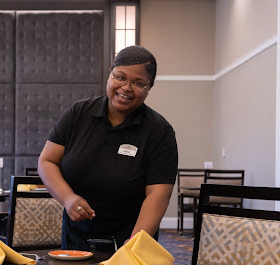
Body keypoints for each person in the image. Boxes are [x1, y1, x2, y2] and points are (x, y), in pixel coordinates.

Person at [38, 45, 178, 252]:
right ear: (109, 76)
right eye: (120, 77)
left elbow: (158, 194)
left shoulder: (160, 131)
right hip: (76, 240)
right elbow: (47, 161)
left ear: (149, 88)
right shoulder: (78, 114)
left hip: (130, 240)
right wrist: (67, 198)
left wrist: (135, 244)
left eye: (138, 83)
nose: (126, 87)